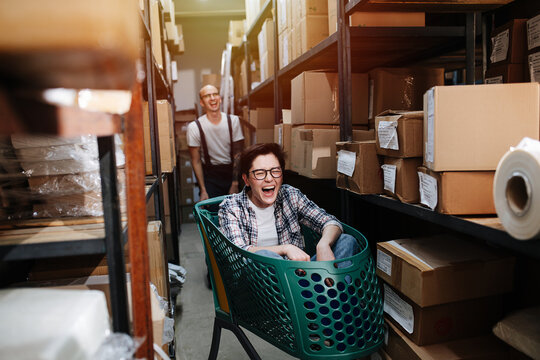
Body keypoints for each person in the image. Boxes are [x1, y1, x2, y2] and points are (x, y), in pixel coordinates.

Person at [219, 143, 358, 263]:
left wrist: (323, 245)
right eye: (260, 173)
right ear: (246, 179)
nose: (269, 179)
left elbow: (330, 222)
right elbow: (237, 252)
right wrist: (285, 249)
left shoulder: (290, 196)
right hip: (262, 284)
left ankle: (327, 292)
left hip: (300, 276)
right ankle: (324, 293)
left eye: (275, 171)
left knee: (347, 241)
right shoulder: (232, 207)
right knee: (265, 256)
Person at [187, 84, 244, 203]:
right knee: (213, 216)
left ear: (220, 98)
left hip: (232, 175)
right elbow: (196, 161)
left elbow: (238, 154)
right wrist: (203, 190)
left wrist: (235, 184)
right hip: (210, 178)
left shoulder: (233, 121)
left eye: (215, 94)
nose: (212, 98)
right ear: (202, 102)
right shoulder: (194, 127)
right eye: (207, 96)